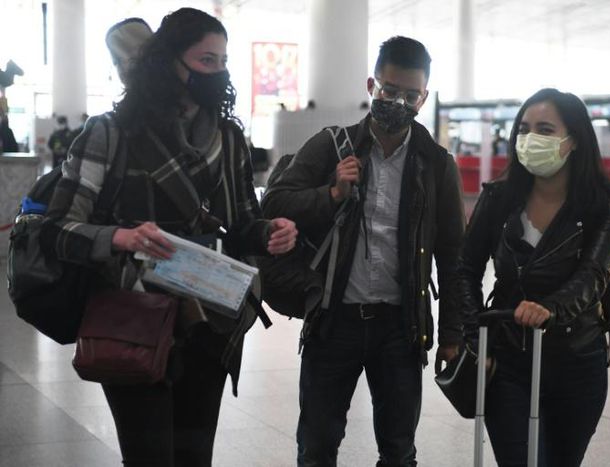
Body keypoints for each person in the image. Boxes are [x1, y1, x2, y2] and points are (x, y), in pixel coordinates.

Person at [43, 8, 297, 466]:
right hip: (134, 319)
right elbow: (57, 229)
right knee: (149, 458)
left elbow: (241, 225)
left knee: (195, 456)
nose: (217, 72)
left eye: (222, 61)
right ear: (169, 63)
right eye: (206, 60)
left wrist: (271, 233)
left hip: (211, 323)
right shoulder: (110, 133)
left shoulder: (230, 139)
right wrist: (122, 237)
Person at [262, 36, 465, 466]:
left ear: (423, 98)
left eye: (410, 95)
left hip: (401, 327)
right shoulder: (332, 146)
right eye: (390, 91)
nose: (399, 101)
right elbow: (275, 203)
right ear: (371, 85)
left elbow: (452, 255)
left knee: (398, 449)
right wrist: (332, 193)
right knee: (316, 445)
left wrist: (451, 335)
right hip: (335, 320)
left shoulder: (436, 164)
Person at [458, 88, 610, 466]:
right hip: (508, 360)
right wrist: (474, 340)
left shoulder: (606, 203)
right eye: (524, 128)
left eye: (546, 130)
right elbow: (464, 269)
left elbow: (594, 275)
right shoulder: (499, 198)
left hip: (578, 359)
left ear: (575, 141)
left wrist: (549, 309)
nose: (531, 138)